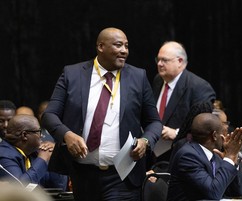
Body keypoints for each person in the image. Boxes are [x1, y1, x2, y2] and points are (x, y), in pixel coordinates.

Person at [42, 27, 162, 201]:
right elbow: (49, 115)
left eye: (126, 46)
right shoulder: (73, 74)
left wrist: (146, 141)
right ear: (100, 46)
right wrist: (66, 135)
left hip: (122, 176)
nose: (124, 51)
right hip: (82, 175)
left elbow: (154, 122)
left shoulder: (138, 76)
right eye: (118, 45)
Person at [152, 41, 216, 164]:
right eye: (158, 60)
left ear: (180, 62)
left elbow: (203, 128)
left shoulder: (199, 87)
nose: (159, 64)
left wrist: (175, 133)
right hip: (153, 154)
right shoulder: (158, 80)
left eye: (164, 60)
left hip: (181, 156)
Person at [167, 113, 242, 200]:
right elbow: (213, 194)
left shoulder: (215, 155)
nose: (224, 137)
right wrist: (229, 158)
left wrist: (232, 160)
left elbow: (239, 192)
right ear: (214, 135)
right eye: (222, 133)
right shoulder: (188, 156)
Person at [0, 114, 67, 189]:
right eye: (39, 131)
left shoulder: (33, 152)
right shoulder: (4, 155)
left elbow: (59, 187)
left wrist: (55, 157)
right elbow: (19, 189)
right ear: (24, 135)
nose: (42, 136)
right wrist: (42, 159)